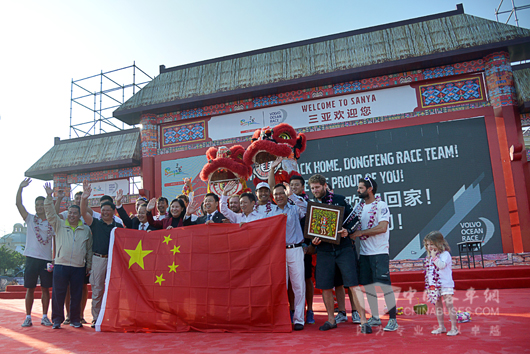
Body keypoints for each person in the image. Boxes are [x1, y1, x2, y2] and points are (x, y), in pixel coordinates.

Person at [307, 174, 369, 332]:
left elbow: (354, 220)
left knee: (353, 284)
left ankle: (363, 321)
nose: (315, 190)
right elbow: (309, 229)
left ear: (324, 185)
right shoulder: (310, 204)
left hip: (344, 249)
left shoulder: (339, 199)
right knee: (326, 286)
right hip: (324, 251)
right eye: (312, 188)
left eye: (318, 187)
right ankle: (331, 320)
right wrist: (312, 241)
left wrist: (347, 231)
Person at [351, 176, 398, 332]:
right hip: (364, 253)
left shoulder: (381, 205)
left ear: (370, 189)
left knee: (385, 287)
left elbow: (382, 227)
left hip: (379, 252)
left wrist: (360, 233)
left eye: (361, 188)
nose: (358, 190)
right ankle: (375, 318)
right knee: (368, 287)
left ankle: (393, 320)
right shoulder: (359, 207)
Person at [43, 183, 92, 329]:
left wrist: (88, 264)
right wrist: (48, 196)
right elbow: (50, 213)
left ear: (79, 216)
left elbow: (89, 249)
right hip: (61, 265)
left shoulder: (85, 230)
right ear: (67, 214)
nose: (72, 215)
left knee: (76, 294)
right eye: (70, 212)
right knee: (58, 294)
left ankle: (75, 319)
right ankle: (57, 319)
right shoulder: (59, 224)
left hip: (78, 266)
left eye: (75, 213)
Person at [80, 180, 124, 328]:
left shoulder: (118, 226)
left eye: (108, 210)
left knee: (114, 289)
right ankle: (96, 318)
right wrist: (84, 197)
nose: (105, 212)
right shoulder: (96, 223)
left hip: (114, 262)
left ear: (113, 212)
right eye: (103, 209)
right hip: (98, 260)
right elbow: (83, 212)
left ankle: (113, 316)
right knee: (97, 290)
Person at [269, 182, 307, 330]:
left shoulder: (294, 209)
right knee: (281, 286)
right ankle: (282, 318)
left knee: (298, 285)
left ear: (286, 194)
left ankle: (299, 319)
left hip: (295, 249)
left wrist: (292, 194)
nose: (279, 196)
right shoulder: (270, 213)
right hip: (278, 252)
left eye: (281, 193)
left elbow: (305, 208)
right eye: (276, 194)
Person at [16, 178, 54, 327]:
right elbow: (19, 204)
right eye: (37, 205)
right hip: (31, 258)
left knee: (45, 289)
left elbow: (55, 210)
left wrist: (49, 196)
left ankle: (45, 316)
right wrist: (20, 188)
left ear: (45, 206)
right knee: (30, 289)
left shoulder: (51, 221)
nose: (39, 207)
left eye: (41, 205)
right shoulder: (30, 219)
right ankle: (28, 317)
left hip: (46, 260)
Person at [424, 231, 458, 336]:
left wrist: (434, 257)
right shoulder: (430, 256)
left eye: (432, 244)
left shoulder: (445, 254)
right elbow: (429, 272)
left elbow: (441, 265)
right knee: (438, 306)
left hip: (446, 284)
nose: (430, 247)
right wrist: (430, 285)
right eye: (428, 245)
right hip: (435, 285)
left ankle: (454, 328)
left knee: (449, 305)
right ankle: (441, 326)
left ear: (439, 243)